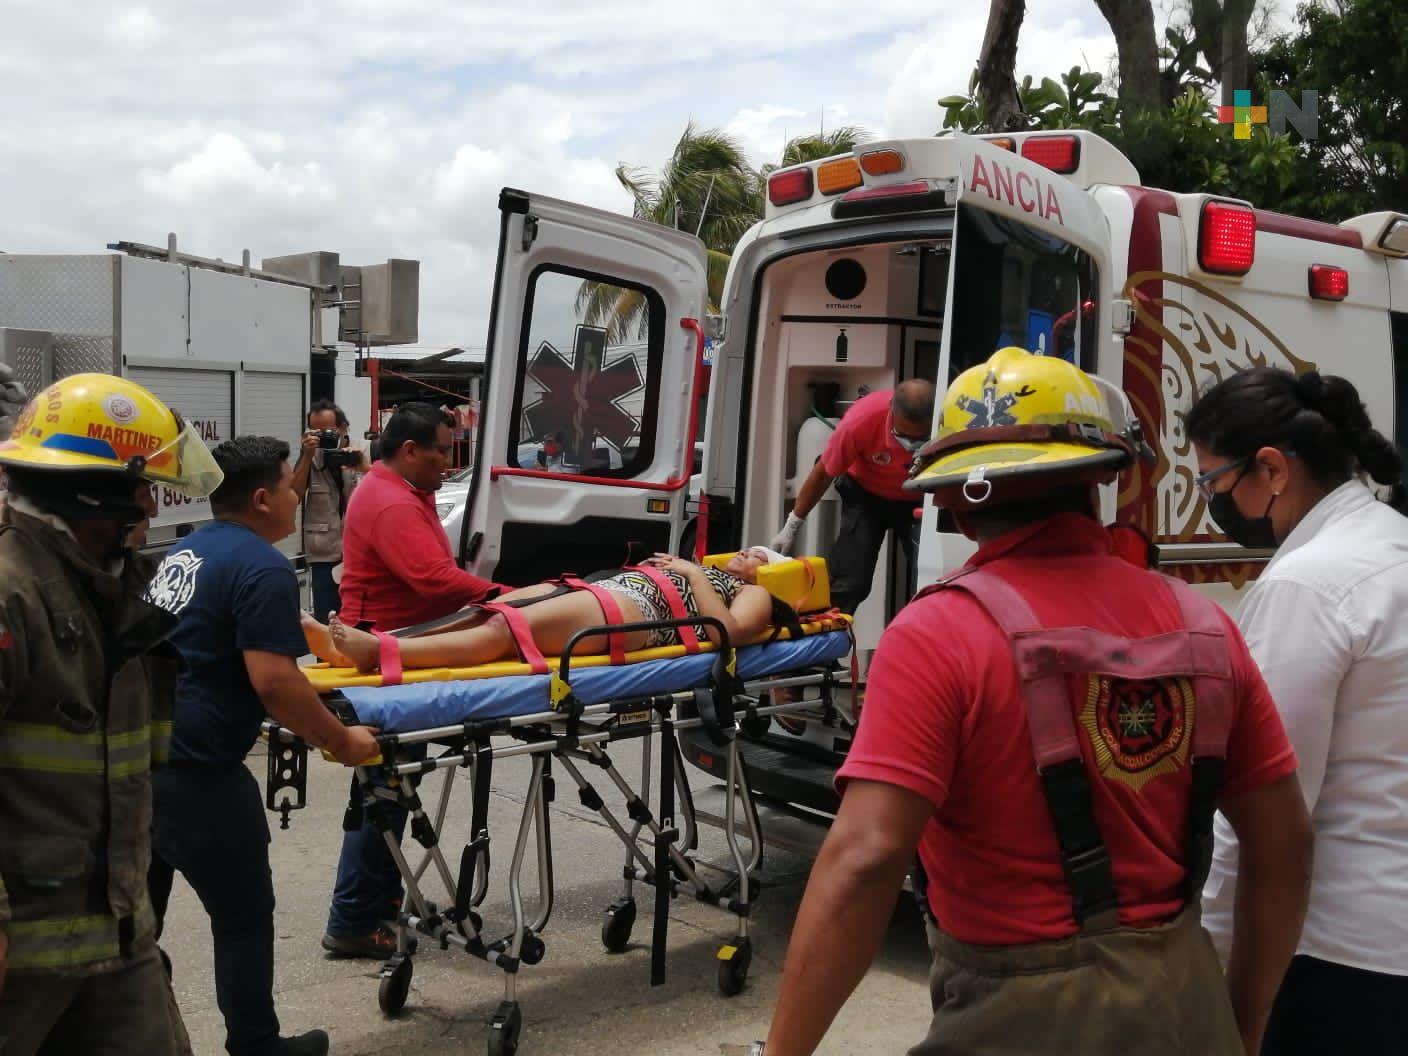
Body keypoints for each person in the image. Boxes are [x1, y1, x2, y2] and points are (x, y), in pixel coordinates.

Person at [757, 348, 1314, 1056]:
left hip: (1011, 1019)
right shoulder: (1207, 628)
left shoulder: (936, 635)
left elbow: (866, 861)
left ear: (954, 504)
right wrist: (1239, 1022)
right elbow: (1285, 845)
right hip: (1187, 1009)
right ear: (1100, 481)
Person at [1190, 367, 1408, 1055]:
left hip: (1337, 956)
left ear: (1272, 468)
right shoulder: (1392, 546)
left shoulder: (1308, 587)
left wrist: (1219, 956)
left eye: (1211, 483)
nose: (1210, 502)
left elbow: (1266, 809)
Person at [0, 373, 218, 1056]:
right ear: (94, 493)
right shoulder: (13, 594)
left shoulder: (115, 592)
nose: (149, 510)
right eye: (142, 490)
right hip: (22, 950)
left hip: (118, 931)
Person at [145, 435, 379, 1056]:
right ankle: (257, 1044)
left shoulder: (181, 553)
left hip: (141, 762)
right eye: (287, 484)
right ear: (260, 497)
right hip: (204, 772)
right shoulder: (264, 566)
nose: (296, 495)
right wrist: (342, 741)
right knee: (244, 914)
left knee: (137, 925)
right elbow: (274, 682)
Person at [321, 401, 504, 960]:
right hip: (386, 657)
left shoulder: (400, 493)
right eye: (441, 452)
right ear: (408, 451)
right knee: (386, 791)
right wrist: (503, 599)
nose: (448, 464)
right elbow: (431, 579)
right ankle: (355, 917)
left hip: (394, 647)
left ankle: (371, 905)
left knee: (388, 790)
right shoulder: (391, 502)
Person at [313, 548, 788, 673]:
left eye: (757, 556)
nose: (744, 555)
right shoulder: (703, 571)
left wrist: (693, 575)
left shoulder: (756, 594)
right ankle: (363, 649)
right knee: (488, 608)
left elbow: (731, 633)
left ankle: (379, 653)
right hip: (613, 590)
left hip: (640, 613)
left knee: (508, 629)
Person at [770, 380, 935, 614]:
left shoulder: (949, 420)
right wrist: (792, 525)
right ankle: (826, 642)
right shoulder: (862, 420)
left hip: (919, 498)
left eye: (919, 439)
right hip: (865, 496)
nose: (910, 445)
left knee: (932, 577)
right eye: (904, 436)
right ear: (892, 411)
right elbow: (822, 474)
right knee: (850, 582)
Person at [292, 400, 369, 621]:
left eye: (328, 430)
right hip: (325, 554)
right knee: (328, 620)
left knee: (361, 618)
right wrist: (306, 455)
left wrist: (362, 465)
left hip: (361, 552)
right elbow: (294, 496)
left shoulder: (363, 450)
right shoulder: (310, 456)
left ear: (344, 427)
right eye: (315, 431)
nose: (323, 436)